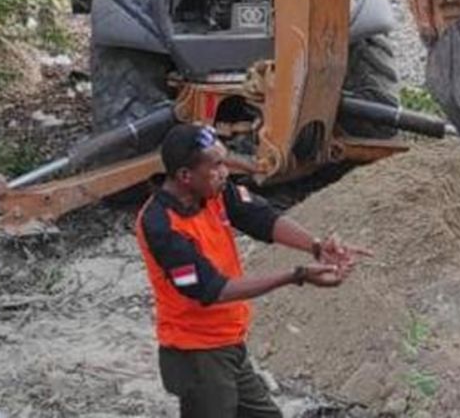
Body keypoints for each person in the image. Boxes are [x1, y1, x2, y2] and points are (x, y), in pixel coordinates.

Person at [135, 123, 368, 417]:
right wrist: (296, 276)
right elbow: (212, 290)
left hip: (228, 342)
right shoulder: (161, 226)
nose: (225, 172)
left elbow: (260, 218)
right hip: (197, 353)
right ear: (185, 176)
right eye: (216, 165)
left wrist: (316, 246)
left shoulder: (211, 192)